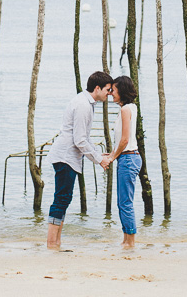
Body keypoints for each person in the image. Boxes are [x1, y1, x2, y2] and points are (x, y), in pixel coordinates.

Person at [46, 71, 113, 250]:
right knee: (61, 199)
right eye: (107, 90)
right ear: (97, 88)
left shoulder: (86, 102)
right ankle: (52, 243)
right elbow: (80, 140)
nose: (109, 93)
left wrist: (100, 154)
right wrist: (99, 160)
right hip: (66, 156)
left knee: (64, 198)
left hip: (68, 156)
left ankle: (56, 242)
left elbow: (85, 136)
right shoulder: (83, 105)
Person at [102, 75, 141, 248]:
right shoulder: (130, 108)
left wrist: (112, 157)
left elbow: (125, 140)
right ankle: (126, 238)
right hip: (128, 156)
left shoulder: (126, 110)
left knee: (125, 202)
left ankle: (130, 241)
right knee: (123, 201)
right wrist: (112, 153)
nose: (110, 93)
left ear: (122, 91)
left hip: (128, 157)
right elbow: (125, 140)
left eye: (113, 90)